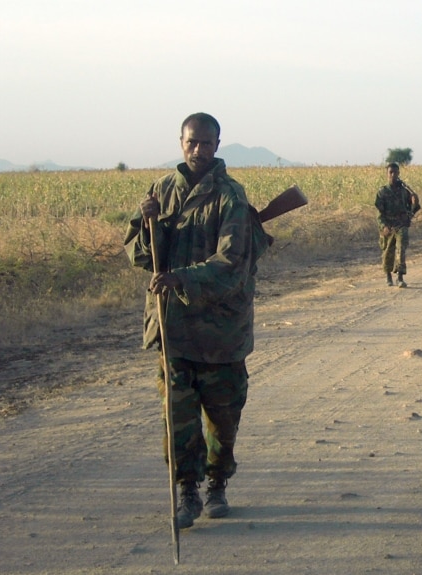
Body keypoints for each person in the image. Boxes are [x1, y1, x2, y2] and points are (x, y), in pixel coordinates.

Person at [125, 113, 271, 529]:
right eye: (191, 142)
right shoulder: (162, 191)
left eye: (206, 143)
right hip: (173, 328)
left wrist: (181, 277)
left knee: (223, 421)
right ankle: (186, 489)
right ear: (181, 142)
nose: (198, 150)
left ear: (217, 145)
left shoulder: (231, 196)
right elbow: (142, 257)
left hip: (220, 332)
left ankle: (218, 482)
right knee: (177, 417)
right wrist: (144, 222)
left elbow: (231, 265)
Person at [375, 163, 421, 287]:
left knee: (401, 249)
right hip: (388, 225)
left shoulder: (404, 191)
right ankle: (388, 275)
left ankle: (400, 277)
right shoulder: (382, 192)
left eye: (395, 172)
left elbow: (414, 208)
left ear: (398, 173)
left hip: (401, 224)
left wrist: (414, 203)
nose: (393, 175)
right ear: (387, 174)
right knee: (388, 252)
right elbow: (379, 213)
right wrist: (383, 226)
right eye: (391, 172)